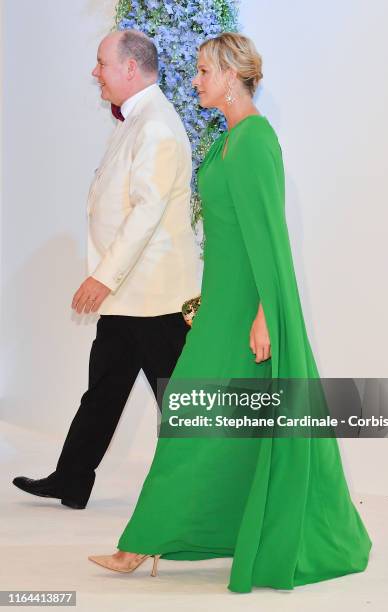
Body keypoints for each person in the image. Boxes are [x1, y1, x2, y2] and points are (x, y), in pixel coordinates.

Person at [88, 33, 372, 592]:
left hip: (248, 312)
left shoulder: (256, 141)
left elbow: (272, 237)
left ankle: (141, 543)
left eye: (201, 72)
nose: (194, 81)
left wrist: (265, 314)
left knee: (193, 420)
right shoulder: (229, 141)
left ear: (229, 74)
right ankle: (165, 538)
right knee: (210, 425)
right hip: (221, 306)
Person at [12, 30, 200, 510]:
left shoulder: (155, 124)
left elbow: (147, 211)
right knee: (104, 391)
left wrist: (103, 276)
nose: (95, 72)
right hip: (130, 296)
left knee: (181, 404)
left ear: (130, 68)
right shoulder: (138, 120)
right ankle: (72, 480)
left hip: (154, 295)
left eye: (101, 63)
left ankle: (211, 493)